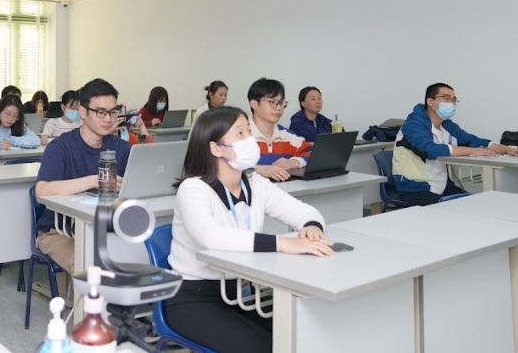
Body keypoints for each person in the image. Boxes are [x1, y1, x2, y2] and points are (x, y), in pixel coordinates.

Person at [166, 106, 333, 353]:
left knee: (303, 338)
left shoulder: (254, 183)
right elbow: (210, 237)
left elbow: (305, 211)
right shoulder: (193, 188)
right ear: (215, 148)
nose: (250, 140)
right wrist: (283, 243)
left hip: (243, 294)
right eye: (240, 133)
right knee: (265, 348)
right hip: (195, 298)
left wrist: (312, 227)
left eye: (249, 131)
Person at [35, 78, 133, 273]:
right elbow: (41, 191)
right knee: (92, 266)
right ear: (83, 112)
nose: (108, 119)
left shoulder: (122, 148)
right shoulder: (60, 147)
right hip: (59, 231)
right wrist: (94, 180)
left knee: (139, 256)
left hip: (106, 228)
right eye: (101, 112)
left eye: (113, 112)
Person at [393, 83, 518, 206]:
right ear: (430, 102)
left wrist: (505, 149)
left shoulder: (447, 125)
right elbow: (430, 150)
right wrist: (472, 151)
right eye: (446, 98)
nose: (451, 103)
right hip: (414, 187)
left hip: (442, 185)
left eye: (454, 100)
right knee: (459, 210)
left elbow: (472, 140)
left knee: (475, 205)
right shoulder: (413, 125)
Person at [247, 78, 312, 182]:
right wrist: (258, 170)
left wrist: (293, 162)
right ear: (254, 104)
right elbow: (224, 164)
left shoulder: (286, 135)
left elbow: (312, 153)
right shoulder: (238, 135)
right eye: (272, 102)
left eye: (281, 102)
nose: (279, 108)